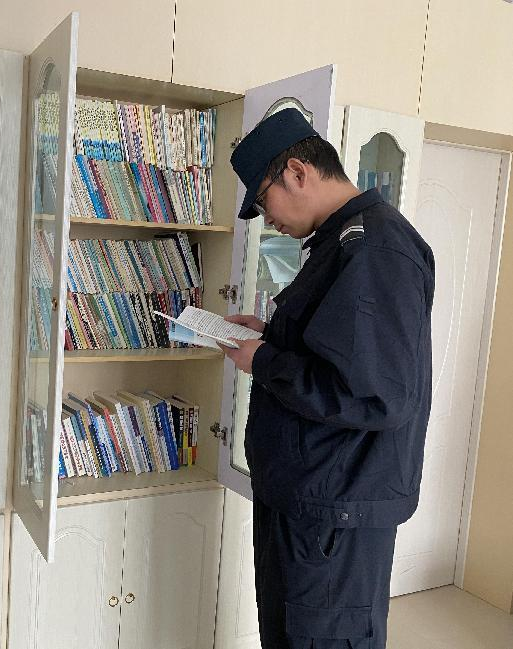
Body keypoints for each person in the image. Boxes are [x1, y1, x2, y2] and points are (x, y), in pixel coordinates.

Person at [223, 108, 435, 649]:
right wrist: (268, 337)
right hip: (310, 498)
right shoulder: (341, 242)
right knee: (290, 635)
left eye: (262, 200)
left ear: (297, 172)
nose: (266, 219)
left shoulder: (376, 247)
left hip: (334, 512)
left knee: (320, 639)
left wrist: (263, 361)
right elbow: (338, 352)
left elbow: (376, 393)